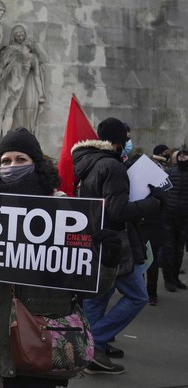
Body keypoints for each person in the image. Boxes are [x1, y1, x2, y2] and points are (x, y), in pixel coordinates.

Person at [0, 127, 121, 387]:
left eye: (21, 159)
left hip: (47, 344)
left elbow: (94, 290)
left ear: (36, 164)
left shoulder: (66, 212)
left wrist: (106, 261)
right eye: (5, 161)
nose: (12, 166)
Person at [71, 117, 164, 374]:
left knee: (99, 296)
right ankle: (92, 343)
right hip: (116, 243)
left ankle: (90, 352)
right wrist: (153, 203)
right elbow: (118, 209)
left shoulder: (88, 162)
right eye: (127, 138)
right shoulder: (112, 166)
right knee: (137, 296)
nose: (129, 143)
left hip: (95, 241)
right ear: (118, 141)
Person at [0, 25, 45, 143]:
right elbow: (0, 67)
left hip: (19, 88)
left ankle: (4, 140)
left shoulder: (32, 59)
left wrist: (41, 94)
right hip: (7, 84)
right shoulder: (9, 51)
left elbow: (36, 76)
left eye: (22, 35)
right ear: (14, 37)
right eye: (18, 35)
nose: (21, 38)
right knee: (0, 111)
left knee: (9, 112)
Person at [144, 144, 171, 305]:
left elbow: (163, 204)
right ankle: (141, 291)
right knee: (139, 263)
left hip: (153, 228)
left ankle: (151, 293)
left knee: (152, 265)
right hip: (139, 227)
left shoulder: (159, 187)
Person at [161, 148, 188, 292]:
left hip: (183, 217)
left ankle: (175, 277)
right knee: (169, 248)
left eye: (185, 156)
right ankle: (168, 279)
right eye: (181, 156)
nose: (183, 158)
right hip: (169, 216)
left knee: (179, 249)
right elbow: (161, 189)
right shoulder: (170, 172)